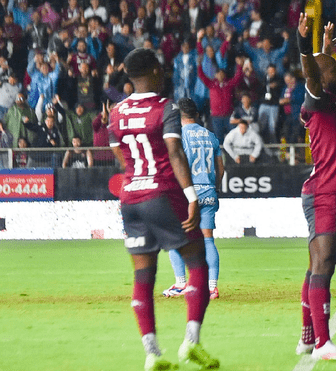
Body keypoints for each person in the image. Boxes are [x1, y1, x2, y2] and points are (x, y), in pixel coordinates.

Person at [108, 48, 218, 371]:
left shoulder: (116, 112)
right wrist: (192, 196)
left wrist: (136, 177)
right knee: (197, 262)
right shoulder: (165, 108)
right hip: (164, 194)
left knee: (143, 274)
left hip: (131, 199)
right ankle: (191, 343)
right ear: (156, 70)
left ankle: (152, 353)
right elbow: (174, 152)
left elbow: (119, 153)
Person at [294, 15, 336, 361]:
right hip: (324, 193)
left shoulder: (331, 101)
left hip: (333, 193)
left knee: (317, 263)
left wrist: (327, 48)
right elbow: (312, 71)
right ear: (322, 78)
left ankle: (307, 337)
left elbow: (321, 68)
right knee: (324, 264)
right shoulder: (316, 99)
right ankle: (322, 344)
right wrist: (307, 46)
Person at [163, 97, 224, 301]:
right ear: (195, 114)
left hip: (188, 194)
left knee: (175, 239)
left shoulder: (179, 136)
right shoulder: (211, 136)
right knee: (208, 239)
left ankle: (181, 283)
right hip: (208, 191)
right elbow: (220, 169)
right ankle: (212, 287)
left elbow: (178, 165)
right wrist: (213, 189)